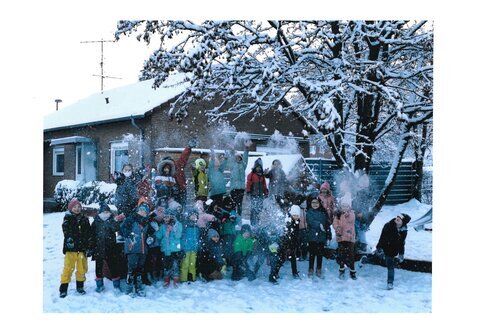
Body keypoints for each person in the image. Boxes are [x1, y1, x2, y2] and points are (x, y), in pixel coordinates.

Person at [59, 198, 93, 298]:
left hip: (82, 249)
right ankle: (63, 288)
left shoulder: (84, 219)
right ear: (70, 208)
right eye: (74, 207)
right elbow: (66, 231)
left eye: (78, 207)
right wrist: (70, 239)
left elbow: (88, 233)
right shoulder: (67, 218)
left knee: (82, 268)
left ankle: (80, 286)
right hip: (71, 248)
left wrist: (88, 245)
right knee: (68, 268)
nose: (77, 209)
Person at [91, 201, 123, 293]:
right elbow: (92, 235)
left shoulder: (112, 220)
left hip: (111, 248)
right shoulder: (96, 222)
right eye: (104, 212)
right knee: (98, 268)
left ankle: (116, 286)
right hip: (98, 249)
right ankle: (99, 285)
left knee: (113, 267)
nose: (106, 214)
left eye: (107, 212)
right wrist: (91, 247)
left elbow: (116, 228)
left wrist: (113, 221)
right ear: (100, 213)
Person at [120, 203, 151, 297]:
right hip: (132, 248)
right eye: (141, 210)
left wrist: (151, 238)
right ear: (137, 210)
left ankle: (138, 286)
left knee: (140, 269)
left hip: (143, 249)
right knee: (131, 269)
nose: (142, 212)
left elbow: (150, 234)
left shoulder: (147, 222)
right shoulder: (131, 219)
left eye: (144, 211)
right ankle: (129, 287)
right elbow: (122, 229)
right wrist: (129, 235)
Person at [375, 213, 411, 290]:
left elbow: (402, 243)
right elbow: (382, 237)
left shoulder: (404, 231)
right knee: (377, 257)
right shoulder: (388, 225)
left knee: (390, 266)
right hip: (384, 246)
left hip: (392, 250)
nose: (397, 218)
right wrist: (379, 248)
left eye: (400, 218)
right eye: (397, 217)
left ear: (403, 222)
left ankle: (390, 283)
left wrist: (401, 254)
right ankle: (366, 259)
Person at [268, 205, 301, 284]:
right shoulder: (289, 222)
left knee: (293, 258)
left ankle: (295, 273)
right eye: (294, 215)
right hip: (284, 244)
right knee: (280, 260)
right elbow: (286, 236)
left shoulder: (296, 222)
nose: (296, 216)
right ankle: (273, 276)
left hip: (291, 244)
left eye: (297, 215)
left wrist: (295, 245)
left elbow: (295, 235)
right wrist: (287, 247)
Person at [156, 208, 183, 288]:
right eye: (164, 217)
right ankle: (166, 280)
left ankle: (176, 280)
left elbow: (178, 236)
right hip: (165, 249)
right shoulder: (162, 226)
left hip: (174, 249)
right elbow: (159, 236)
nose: (166, 219)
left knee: (175, 265)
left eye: (167, 217)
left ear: (171, 217)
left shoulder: (178, 225)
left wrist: (173, 230)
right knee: (166, 266)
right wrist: (156, 230)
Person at [333, 193, 357, 280]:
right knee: (341, 254)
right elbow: (335, 223)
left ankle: (352, 271)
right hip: (341, 237)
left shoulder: (351, 214)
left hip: (350, 237)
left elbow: (351, 220)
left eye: (346, 206)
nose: (344, 208)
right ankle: (341, 270)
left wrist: (347, 213)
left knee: (351, 255)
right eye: (343, 206)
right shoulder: (338, 214)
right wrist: (337, 227)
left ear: (349, 207)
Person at [305, 198, 331, 278]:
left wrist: (328, 234)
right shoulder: (309, 212)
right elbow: (311, 221)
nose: (315, 204)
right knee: (312, 254)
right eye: (313, 203)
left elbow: (327, 224)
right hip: (312, 236)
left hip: (321, 237)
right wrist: (319, 224)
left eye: (316, 203)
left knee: (320, 254)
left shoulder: (323, 212)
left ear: (319, 203)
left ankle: (319, 268)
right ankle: (311, 268)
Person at [227, 140, 251, 215]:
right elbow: (231, 157)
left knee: (239, 204)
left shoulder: (243, 165)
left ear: (241, 158)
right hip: (233, 188)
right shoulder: (232, 165)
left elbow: (246, 157)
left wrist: (246, 148)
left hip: (240, 189)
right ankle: (233, 216)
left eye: (239, 157)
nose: (238, 158)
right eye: (236, 157)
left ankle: (239, 217)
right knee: (233, 203)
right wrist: (232, 150)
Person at [180, 208, 201, 283]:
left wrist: (198, 246)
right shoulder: (185, 226)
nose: (194, 217)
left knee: (192, 264)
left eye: (195, 216)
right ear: (188, 216)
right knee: (185, 264)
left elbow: (198, 238)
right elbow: (182, 237)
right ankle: (183, 278)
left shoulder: (197, 227)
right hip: (186, 249)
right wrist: (182, 247)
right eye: (192, 215)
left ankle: (192, 277)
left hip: (194, 249)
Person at [246, 158, 268, 226]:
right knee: (253, 209)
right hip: (254, 194)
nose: (258, 169)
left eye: (260, 167)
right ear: (255, 167)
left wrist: (266, 191)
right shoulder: (252, 174)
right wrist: (248, 190)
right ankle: (252, 223)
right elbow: (248, 182)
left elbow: (264, 184)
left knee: (259, 209)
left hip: (260, 195)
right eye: (257, 167)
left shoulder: (262, 176)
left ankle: (257, 223)